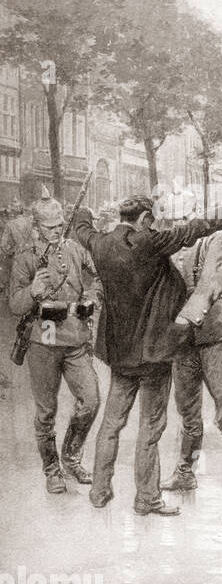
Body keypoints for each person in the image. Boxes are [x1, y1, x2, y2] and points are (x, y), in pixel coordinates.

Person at [71, 195, 222, 516]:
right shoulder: (150, 243)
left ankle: (99, 490)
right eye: (152, 219)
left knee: (111, 423)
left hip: (120, 354)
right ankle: (146, 498)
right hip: (153, 355)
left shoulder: (100, 243)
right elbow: (193, 231)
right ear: (145, 217)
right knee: (151, 427)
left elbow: (81, 229)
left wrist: (81, 212)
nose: (155, 224)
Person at [9, 195, 101, 493]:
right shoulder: (25, 257)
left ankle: (71, 457)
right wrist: (33, 292)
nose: (57, 230)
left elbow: (100, 277)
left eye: (61, 224)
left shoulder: (75, 249)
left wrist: (92, 297)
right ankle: (52, 469)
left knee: (90, 400)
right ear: (36, 227)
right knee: (46, 411)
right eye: (50, 227)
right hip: (45, 334)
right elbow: (13, 305)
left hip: (75, 335)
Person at [160, 218, 222, 503]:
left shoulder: (215, 239)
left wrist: (178, 321)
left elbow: (210, 285)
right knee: (187, 409)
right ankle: (186, 471)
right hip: (182, 340)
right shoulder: (169, 241)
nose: (179, 221)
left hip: (213, 333)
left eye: (185, 214)